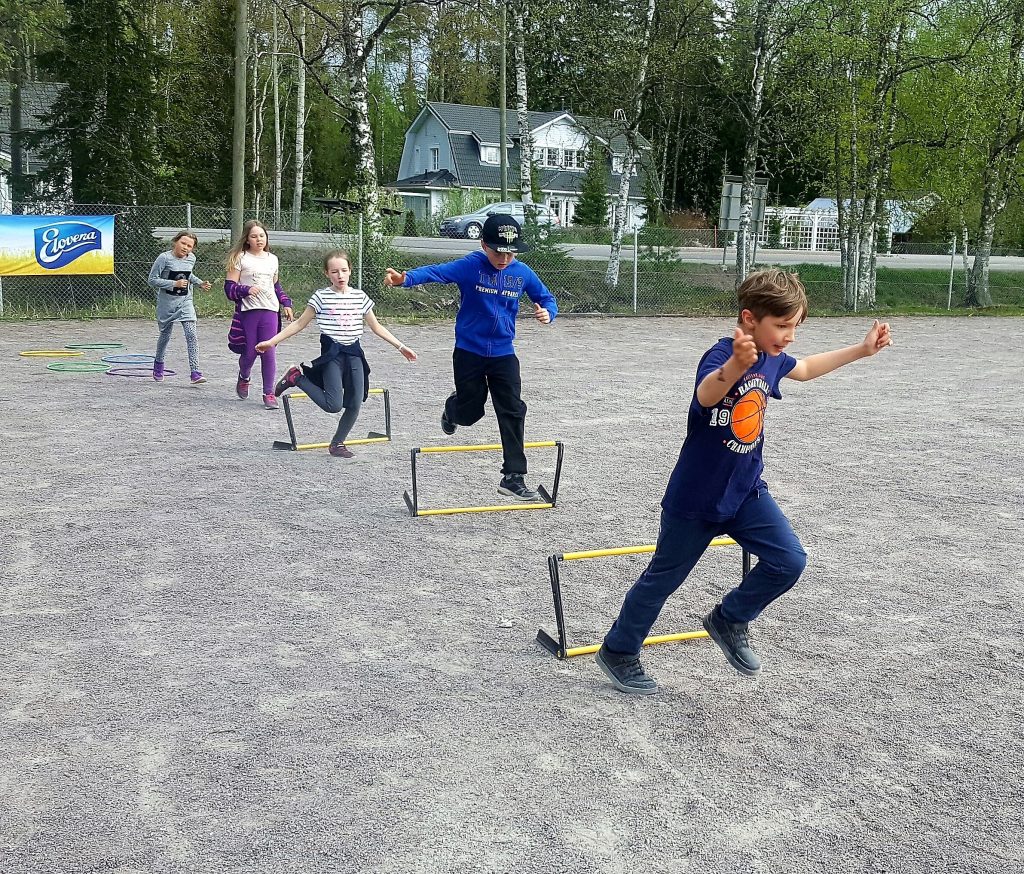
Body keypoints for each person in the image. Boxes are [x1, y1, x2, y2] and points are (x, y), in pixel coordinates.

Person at [596, 268, 893, 695]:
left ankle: (729, 618)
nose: (790, 336)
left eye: (796, 327)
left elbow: (806, 369)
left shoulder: (773, 357)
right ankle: (619, 651)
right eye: (783, 326)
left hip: (747, 491)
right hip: (696, 499)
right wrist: (737, 363)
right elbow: (707, 395)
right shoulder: (721, 356)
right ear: (750, 318)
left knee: (790, 561)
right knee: (662, 579)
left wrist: (862, 350)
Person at [383, 214, 557, 501]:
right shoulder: (470, 266)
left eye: (510, 252)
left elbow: (547, 298)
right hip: (469, 352)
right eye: (497, 251)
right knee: (471, 411)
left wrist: (548, 313)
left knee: (513, 408)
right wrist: (405, 279)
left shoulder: (522, 273)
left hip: (503, 353)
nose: (504, 258)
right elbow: (437, 272)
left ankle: (513, 476)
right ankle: (452, 410)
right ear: (483, 244)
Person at [257, 250, 417, 458]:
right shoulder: (320, 297)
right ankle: (296, 377)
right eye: (334, 271)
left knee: (355, 403)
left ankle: (337, 444)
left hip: (354, 354)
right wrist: (271, 341)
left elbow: (376, 327)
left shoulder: (360, 297)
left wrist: (400, 346)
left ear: (350, 271)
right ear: (327, 273)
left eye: (343, 270)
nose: (340, 275)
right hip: (332, 355)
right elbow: (298, 324)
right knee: (333, 405)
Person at [224, 220, 293, 410]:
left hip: (270, 311)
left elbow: (276, 286)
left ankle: (269, 393)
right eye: (254, 236)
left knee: (268, 350)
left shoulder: (272, 259)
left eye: (261, 235)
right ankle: (244, 376)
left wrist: (285, 303)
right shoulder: (240, 258)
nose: (258, 239)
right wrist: (245, 289)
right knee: (250, 352)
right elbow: (229, 288)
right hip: (248, 312)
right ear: (247, 239)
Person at [147, 231, 211, 384]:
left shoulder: (191, 259)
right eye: (183, 243)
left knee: (191, 335)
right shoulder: (164, 258)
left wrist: (200, 283)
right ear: (175, 241)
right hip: (167, 304)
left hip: (185, 302)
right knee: (165, 336)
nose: (185, 248)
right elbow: (152, 280)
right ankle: (158, 364)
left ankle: (195, 372)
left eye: (189, 246)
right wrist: (173, 284)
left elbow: (188, 275)